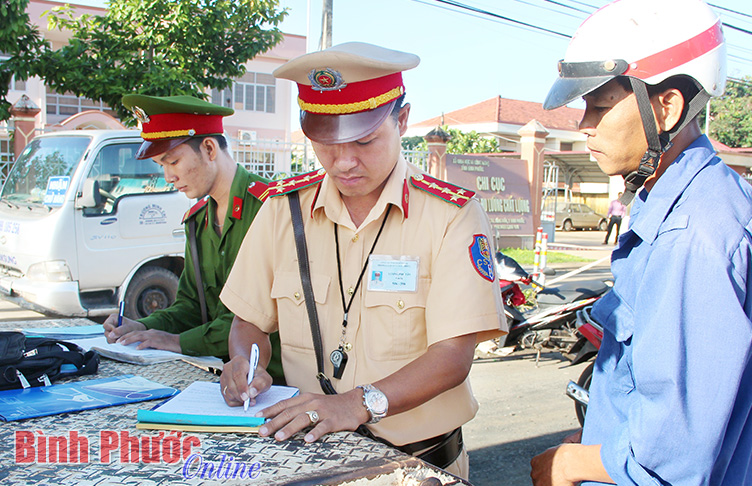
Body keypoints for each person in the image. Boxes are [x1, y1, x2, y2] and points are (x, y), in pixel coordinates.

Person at [218, 42, 506, 477]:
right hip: (308, 460)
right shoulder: (283, 210)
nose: (345, 161)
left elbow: (452, 354)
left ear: (402, 120)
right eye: (327, 143)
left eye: (365, 140)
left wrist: (354, 405)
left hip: (417, 466)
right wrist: (246, 362)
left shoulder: (451, 216)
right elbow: (249, 322)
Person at [529, 1, 752, 485]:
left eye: (600, 106)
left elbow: (672, 456)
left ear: (666, 107)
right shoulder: (684, 201)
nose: (584, 124)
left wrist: (573, 463)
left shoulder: (692, 234)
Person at [102, 94, 282, 382]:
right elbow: (189, 306)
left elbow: (266, 317)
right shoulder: (198, 221)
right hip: (218, 378)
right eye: (162, 165)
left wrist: (177, 342)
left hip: (271, 381)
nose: (168, 176)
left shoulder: (272, 208)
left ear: (209, 148)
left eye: (173, 161)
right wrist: (141, 326)